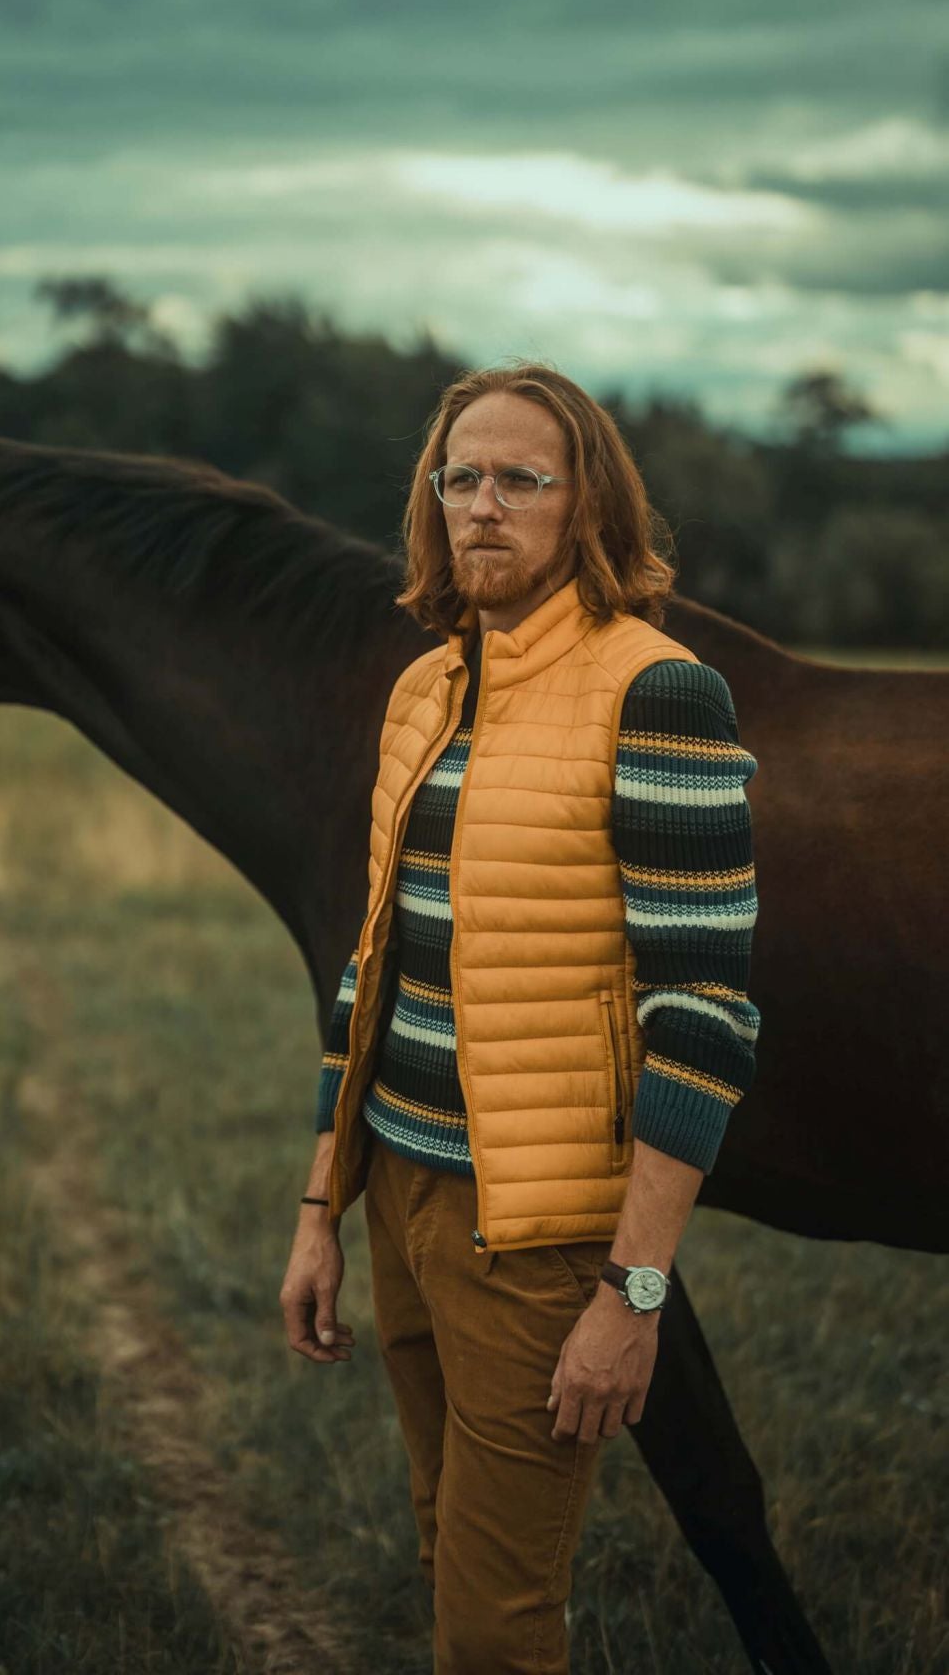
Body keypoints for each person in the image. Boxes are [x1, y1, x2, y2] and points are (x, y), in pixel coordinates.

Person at [279, 362, 760, 1675]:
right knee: (448, 1552)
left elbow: (704, 1020)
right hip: (399, 1205)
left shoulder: (656, 691)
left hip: (535, 1241)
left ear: (582, 505)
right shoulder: (423, 691)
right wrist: (324, 1206)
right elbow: (368, 972)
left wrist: (632, 1290)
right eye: (459, 479)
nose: (481, 506)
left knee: (495, 1625)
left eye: (519, 481)